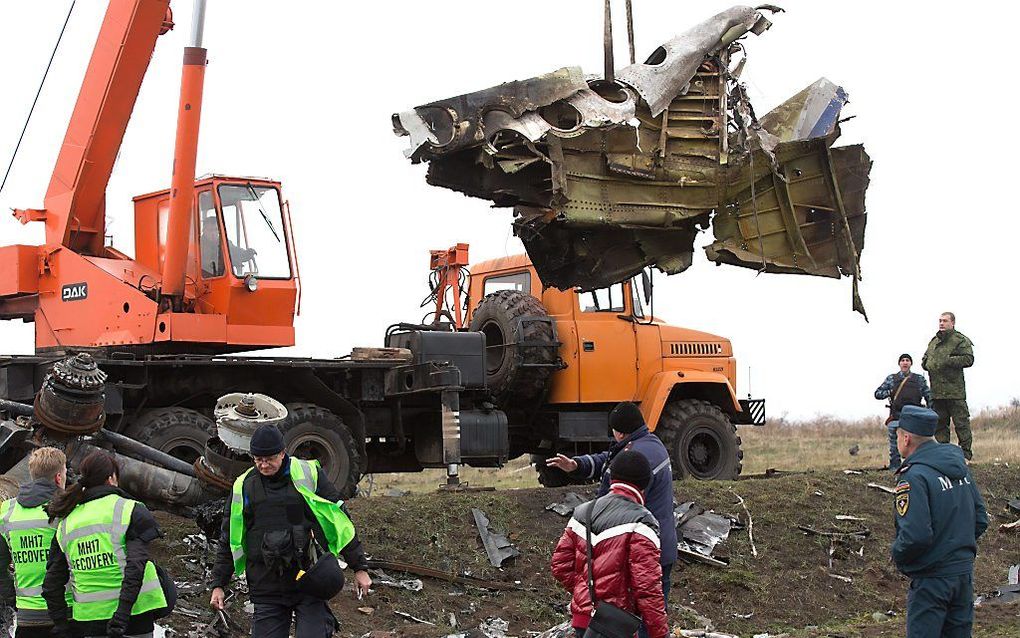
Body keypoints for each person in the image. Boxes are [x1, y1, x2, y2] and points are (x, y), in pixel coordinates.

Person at [209, 424, 372, 638]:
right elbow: (229, 537)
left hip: (308, 579)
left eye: (269, 459)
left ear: (283, 453)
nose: (264, 465)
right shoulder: (243, 486)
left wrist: (359, 567)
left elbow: (339, 521)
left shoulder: (308, 474)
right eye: (258, 459)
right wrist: (219, 584)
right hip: (266, 583)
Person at [545, 402, 675, 633]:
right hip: (645, 549)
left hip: (630, 550)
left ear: (620, 431)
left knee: (636, 614)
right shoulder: (646, 446)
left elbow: (560, 564)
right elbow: (609, 459)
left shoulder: (591, 513)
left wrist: (585, 590)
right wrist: (578, 464)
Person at [43, 450, 170, 638]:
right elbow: (136, 567)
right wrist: (122, 615)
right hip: (134, 617)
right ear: (111, 478)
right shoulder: (129, 509)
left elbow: (51, 583)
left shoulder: (67, 522)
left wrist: (61, 624)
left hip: (91, 621)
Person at [892, 405, 988, 637]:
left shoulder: (914, 476)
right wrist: (955, 551)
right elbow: (980, 519)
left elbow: (915, 536)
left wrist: (898, 556)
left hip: (931, 580)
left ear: (906, 439)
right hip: (962, 575)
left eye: (897, 436)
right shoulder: (960, 468)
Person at [551, 450, 667, 638]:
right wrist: (659, 634)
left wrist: (586, 594)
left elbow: (560, 567)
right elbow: (647, 588)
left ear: (612, 478)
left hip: (582, 622)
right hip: (616, 624)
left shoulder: (583, 512)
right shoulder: (643, 522)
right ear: (645, 484)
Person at [0, 448, 71, 638]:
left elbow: (0, 565)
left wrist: (12, 598)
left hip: (27, 615)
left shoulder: (7, 511)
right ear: (58, 477)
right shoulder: (70, 509)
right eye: (65, 472)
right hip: (68, 612)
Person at [922, 312, 975, 461]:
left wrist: (948, 361)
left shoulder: (960, 340)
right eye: (940, 321)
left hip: (954, 391)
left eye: (945, 321)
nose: (941, 323)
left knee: (961, 423)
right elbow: (925, 359)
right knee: (940, 424)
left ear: (952, 323)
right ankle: (943, 455)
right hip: (937, 392)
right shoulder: (934, 341)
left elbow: (968, 359)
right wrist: (927, 364)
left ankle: (965, 454)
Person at [874, 353, 931, 471]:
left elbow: (928, 396)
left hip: (914, 417)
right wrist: (890, 391)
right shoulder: (892, 379)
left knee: (915, 444)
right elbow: (877, 394)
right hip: (896, 416)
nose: (905, 362)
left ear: (911, 363)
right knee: (894, 444)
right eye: (903, 360)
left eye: (907, 360)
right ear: (899, 363)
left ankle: (914, 467)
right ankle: (894, 467)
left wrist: (929, 412)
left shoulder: (919, 379)